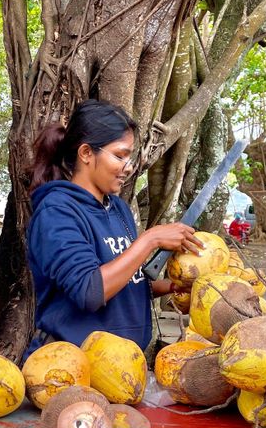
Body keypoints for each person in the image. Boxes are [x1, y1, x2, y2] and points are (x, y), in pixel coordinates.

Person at [25, 100, 203, 358]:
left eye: (129, 157)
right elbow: (90, 291)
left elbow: (122, 283)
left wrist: (171, 287)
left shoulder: (118, 209)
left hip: (123, 365)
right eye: (119, 156)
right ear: (86, 153)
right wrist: (150, 239)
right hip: (68, 365)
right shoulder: (57, 212)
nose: (128, 167)